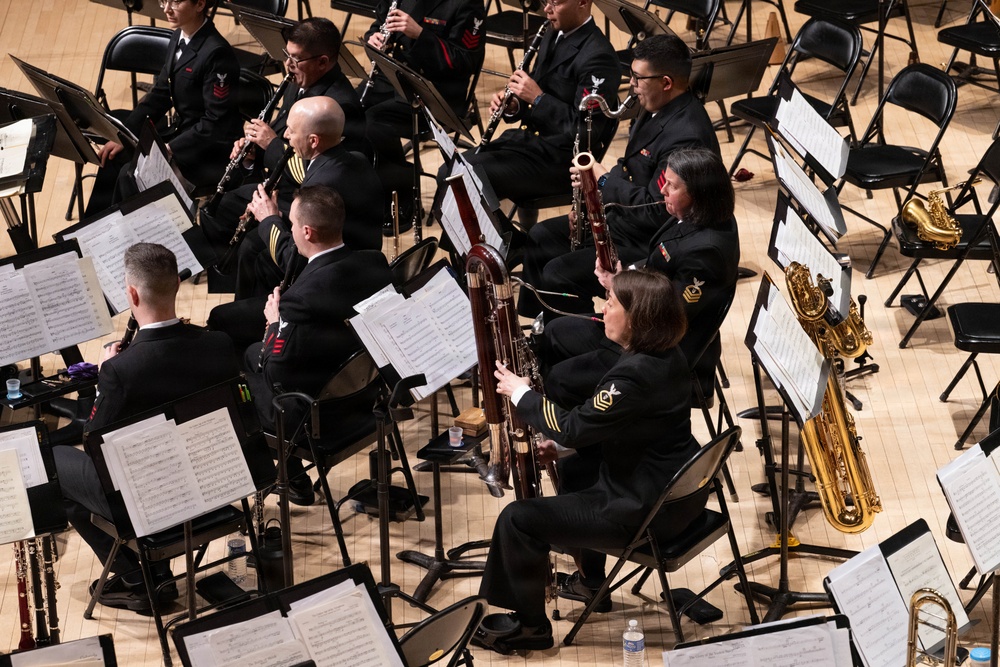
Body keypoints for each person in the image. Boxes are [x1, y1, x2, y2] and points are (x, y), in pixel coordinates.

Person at [477, 269, 704, 653]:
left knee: (517, 520)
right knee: (576, 466)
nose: (602, 311)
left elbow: (572, 426)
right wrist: (564, 448)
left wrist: (521, 394)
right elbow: (622, 426)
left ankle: (531, 628)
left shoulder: (633, 375)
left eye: (611, 304)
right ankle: (591, 581)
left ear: (636, 318)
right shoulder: (668, 353)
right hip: (678, 493)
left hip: (644, 511)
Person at [53, 243, 239, 614]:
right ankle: (152, 572)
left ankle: (138, 578)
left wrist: (103, 381)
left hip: (154, 501)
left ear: (132, 295)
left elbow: (94, 444)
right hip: (217, 484)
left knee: (55, 462)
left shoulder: (121, 372)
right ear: (177, 286)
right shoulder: (219, 345)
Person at [517, 33, 721, 320]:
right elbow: (628, 167)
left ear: (666, 82)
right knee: (540, 237)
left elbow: (656, 210)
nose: (632, 85)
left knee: (559, 273)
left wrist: (602, 181)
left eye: (638, 78)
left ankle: (571, 338)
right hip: (624, 218)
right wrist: (591, 202)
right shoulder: (656, 106)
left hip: (647, 241)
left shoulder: (686, 137)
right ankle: (536, 325)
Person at [541, 147, 740, 407]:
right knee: (553, 333)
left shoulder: (708, 251)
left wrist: (619, 287)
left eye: (672, 186)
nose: (662, 190)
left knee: (559, 379)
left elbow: (669, 314)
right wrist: (624, 275)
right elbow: (657, 266)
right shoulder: (692, 214)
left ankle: (587, 425)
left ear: (698, 193)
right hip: (641, 326)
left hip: (658, 350)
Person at [242, 185, 392, 505]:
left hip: (323, 418)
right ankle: (291, 474)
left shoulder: (299, 299)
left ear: (307, 232)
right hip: (369, 397)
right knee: (254, 354)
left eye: (292, 225)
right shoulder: (375, 263)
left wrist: (273, 324)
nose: (291, 230)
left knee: (244, 381)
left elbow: (275, 372)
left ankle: (290, 476)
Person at [199, 17, 368, 250]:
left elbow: (319, 175)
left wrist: (270, 144)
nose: (288, 63)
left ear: (322, 62)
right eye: (287, 54)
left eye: (296, 58)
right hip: (279, 184)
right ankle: (224, 267)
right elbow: (282, 138)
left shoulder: (339, 108)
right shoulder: (298, 83)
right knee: (215, 210)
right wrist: (253, 154)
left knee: (251, 246)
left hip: (305, 204)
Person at [454, 0, 620, 207]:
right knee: (452, 172)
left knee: (463, 179)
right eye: (545, 1)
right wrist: (514, 104)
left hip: (561, 161)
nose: (547, 9)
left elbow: (585, 132)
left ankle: (499, 229)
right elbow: (534, 87)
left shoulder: (599, 57)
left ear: (583, 2)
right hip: (529, 144)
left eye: (555, 3)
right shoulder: (551, 32)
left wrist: (538, 99)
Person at [85, 0, 241, 215]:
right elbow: (161, 93)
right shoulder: (179, 36)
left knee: (131, 175)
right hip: (183, 133)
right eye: (164, 0)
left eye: (175, 2)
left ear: (199, 4)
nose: (166, 9)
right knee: (113, 156)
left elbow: (215, 122)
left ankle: (129, 230)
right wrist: (124, 134)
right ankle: (92, 228)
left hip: (208, 150)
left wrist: (170, 148)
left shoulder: (217, 53)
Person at [361, 0, 486, 232]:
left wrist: (420, 35)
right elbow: (380, 23)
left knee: (373, 123)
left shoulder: (467, 4)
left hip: (435, 92)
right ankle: (367, 190)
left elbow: (464, 61)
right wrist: (373, 38)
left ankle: (403, 196)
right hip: (394, 77)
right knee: (346, 110)